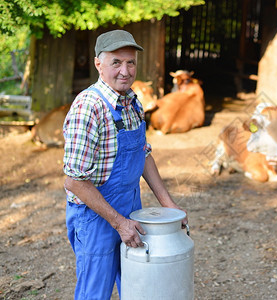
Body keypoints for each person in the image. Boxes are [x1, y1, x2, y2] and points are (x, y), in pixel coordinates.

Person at [63, 29, 188, 299]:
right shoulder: (89, 107)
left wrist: (169, 205)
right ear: (99, 63)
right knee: (95, 293)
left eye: (130, 62)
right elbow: (74, 180)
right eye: (116, 63)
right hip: (95, 215)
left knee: (137, 285)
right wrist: (119, 224)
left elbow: (143, 154)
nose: (125, 70)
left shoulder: (132, 102)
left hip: (131, 207)